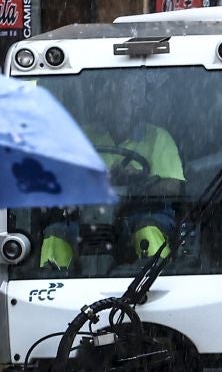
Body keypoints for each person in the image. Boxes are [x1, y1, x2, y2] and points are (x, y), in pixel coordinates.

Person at [39, 96, 185, 271]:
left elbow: (173, 187)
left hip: (143, 213)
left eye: (125, 101)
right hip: (91, 217)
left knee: (147, 229)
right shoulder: (83, 136)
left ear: (137, 105)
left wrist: (138, 179)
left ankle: (158, 280)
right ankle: (52, 285)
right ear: (101, 103)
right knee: (55, 235)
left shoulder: (158, 137)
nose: (117, 108)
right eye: (111, 99)